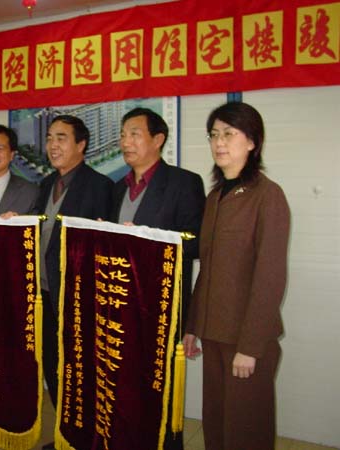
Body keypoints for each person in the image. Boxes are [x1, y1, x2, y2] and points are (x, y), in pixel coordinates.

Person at [183, 102, 290, 450]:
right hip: (214, 332)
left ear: (252, 142)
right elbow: (208, 268)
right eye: (214, 134)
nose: (219, 142)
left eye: (229, 134)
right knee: (216, 422)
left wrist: (251, 347)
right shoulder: (215, 197)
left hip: (245, 339)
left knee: (246, 429)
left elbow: (270, 276)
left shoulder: (267, 195)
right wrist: (192, 326)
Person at [110, 107, 205, 450]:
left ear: (158, 139)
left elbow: (197, 242)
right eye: (123, 135)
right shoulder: (116, 189)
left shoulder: (183, 183)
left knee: (158, 389)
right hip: (119, 303)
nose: (126, 142)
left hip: (161, 305)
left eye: (134, 134)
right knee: (124, 385)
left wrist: (149, 238)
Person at [35, 115, 113, 450]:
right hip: (44, 295)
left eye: (61, 138)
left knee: (81, 372)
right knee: (54, 370)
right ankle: (66, 435)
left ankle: (88, 439)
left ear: (81, 145)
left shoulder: (101, 186)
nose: (53, 145)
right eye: (50, 138)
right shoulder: (44, 185)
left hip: (80, 300)